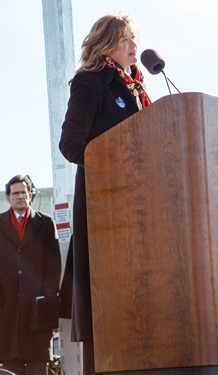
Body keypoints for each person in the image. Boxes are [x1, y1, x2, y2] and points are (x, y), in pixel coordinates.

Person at [59, 14, 152, 375]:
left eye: (135, 38)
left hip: (144, 208)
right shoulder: (90, 83)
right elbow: (71, 144)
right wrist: (114, 170)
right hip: (106, 210)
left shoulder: (137, 89)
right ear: (106, 41)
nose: (134, 45)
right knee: (109, 314)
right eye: (126, 38)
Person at [0, 175, 61, 375]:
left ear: (30, 195)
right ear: (8, 197)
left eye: (23, 193)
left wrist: (50, 297)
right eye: (15, 193)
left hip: (38, 310)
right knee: (10, 368)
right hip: (7, 312)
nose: (20, 197)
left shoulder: (45, 224)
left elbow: (54, 265)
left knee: (38, 367)